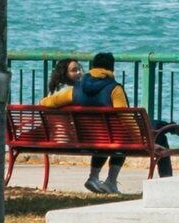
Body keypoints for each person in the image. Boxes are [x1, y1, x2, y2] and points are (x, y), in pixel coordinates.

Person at [38, 51, 131, 194]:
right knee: (119, 138)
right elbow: (125, 118)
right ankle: (111, 181)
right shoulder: (115, 88)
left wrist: (43, 101)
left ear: (92, 67)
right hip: (108, 139)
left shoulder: (75, 89)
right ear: (112, 68)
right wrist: (140, 135)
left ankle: (93, 178)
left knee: (104, 137)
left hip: (86, 138)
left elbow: (47, 102)